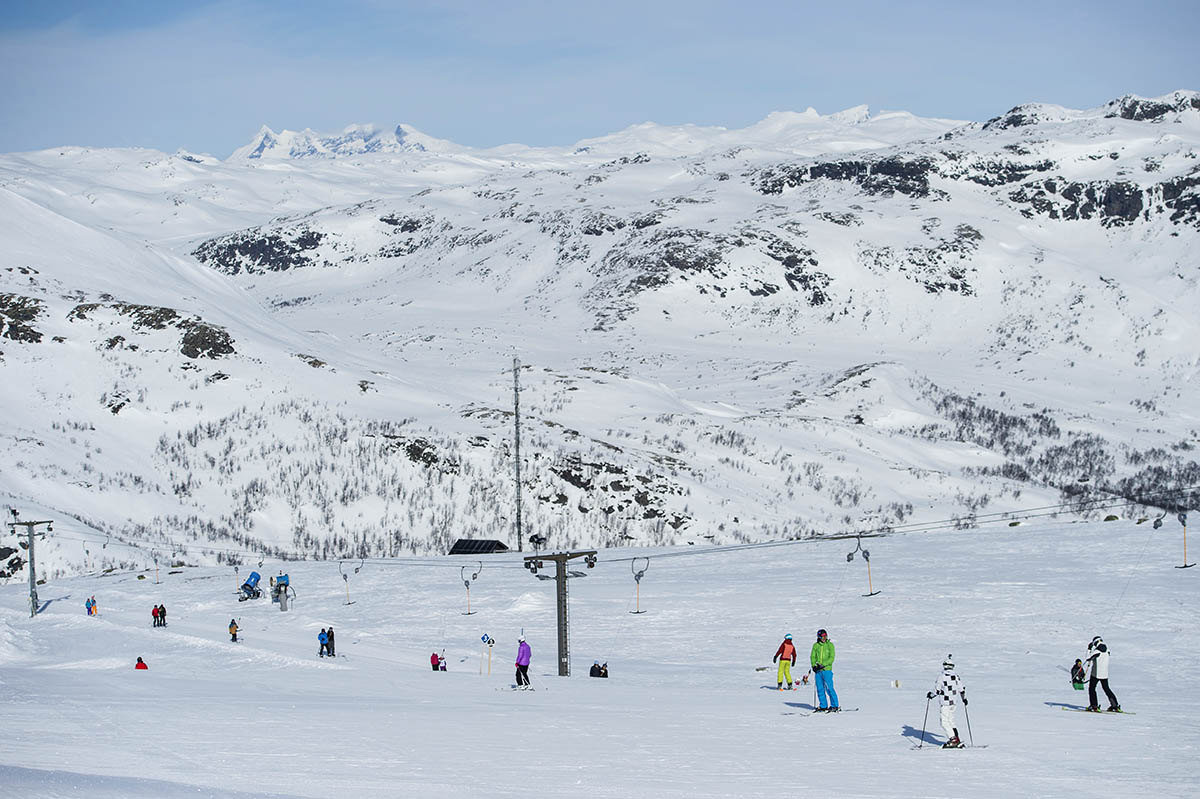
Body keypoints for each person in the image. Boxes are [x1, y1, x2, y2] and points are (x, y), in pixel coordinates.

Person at [927, 655, 966, 748]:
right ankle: (956, 738)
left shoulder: (942, 676)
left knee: (944, 722)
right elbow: (962, 689)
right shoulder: (956, 676)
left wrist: (930, 695)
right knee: (951, 720)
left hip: (945, 702)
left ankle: (953, 739)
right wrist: (964, 699)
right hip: (954, 702)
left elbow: (937, 690)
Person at [1085, 636, 1120, 712]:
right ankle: (1115, 705)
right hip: (1105, 674)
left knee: (1092, 689)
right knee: (1106, 689)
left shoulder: (1097, 651)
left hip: (1096, 674)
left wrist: (1089, 649)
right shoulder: (1107, 650)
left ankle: (1094, 705)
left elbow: (1088, 658)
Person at [810, 629, 839, 711]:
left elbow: (831, 658)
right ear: (819, 637)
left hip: (827, 670)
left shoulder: (830, 645)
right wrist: (814, 666)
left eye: (825, 636)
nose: (824, 638)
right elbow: (813, 657)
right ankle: (823, 705)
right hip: (818, 671)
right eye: (822, 636)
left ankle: (834, 705)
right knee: (820, 688)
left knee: (829, 688)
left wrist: (823, 665)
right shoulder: (816, 645)